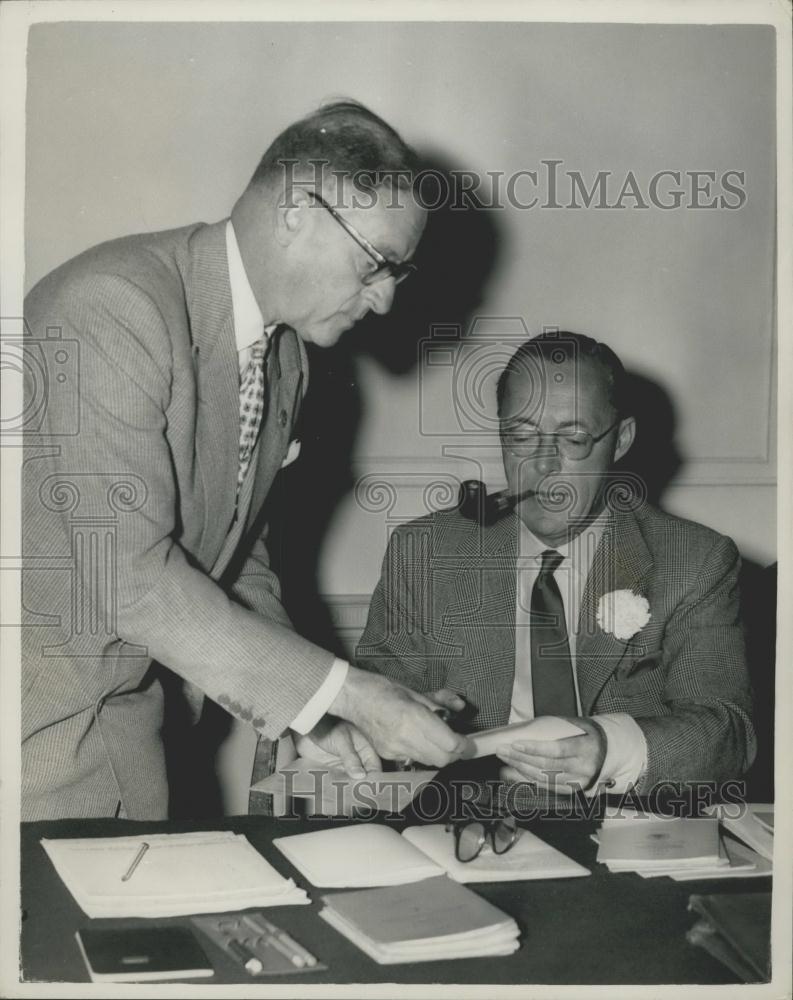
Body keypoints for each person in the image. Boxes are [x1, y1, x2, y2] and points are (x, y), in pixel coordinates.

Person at [21, 100, 468, 821]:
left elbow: (238, 557)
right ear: (296, 208)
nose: (385, 301)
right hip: (30, 747)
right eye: (375, 263)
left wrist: (312, 713)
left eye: (398, 275)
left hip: (132, 742)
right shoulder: (111, 308)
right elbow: (133, 580)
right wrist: (344, 690)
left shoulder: (285, 356)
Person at [357, 331, 756, 808]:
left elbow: (727, 729)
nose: (543, 465)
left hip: (625, 829)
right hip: (462, 824)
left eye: (573, 438)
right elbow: (374, 707)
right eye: (522, 436)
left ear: (621, 440)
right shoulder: (423, 550)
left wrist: (609, 747)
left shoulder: (695, 560)